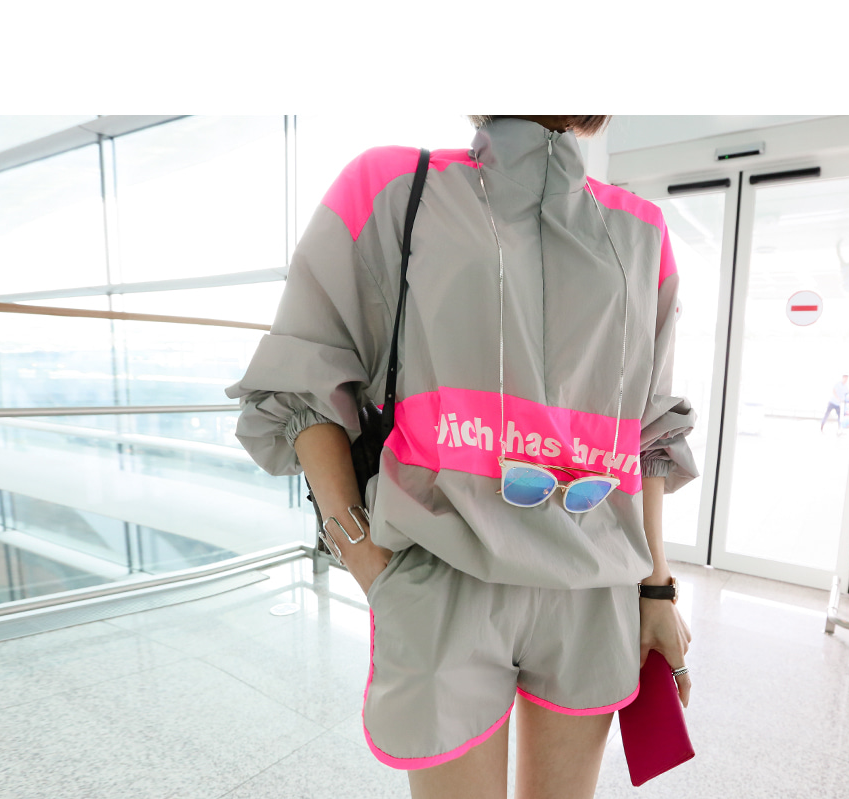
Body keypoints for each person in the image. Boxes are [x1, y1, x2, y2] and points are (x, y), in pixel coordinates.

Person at [225, 115, 699, 799]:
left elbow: (647, 433)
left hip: (594, 590)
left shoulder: (642, 230)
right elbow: (306, 374)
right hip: (446, 572)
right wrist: (361, 552)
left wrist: (656, 588)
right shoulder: (396, 187)